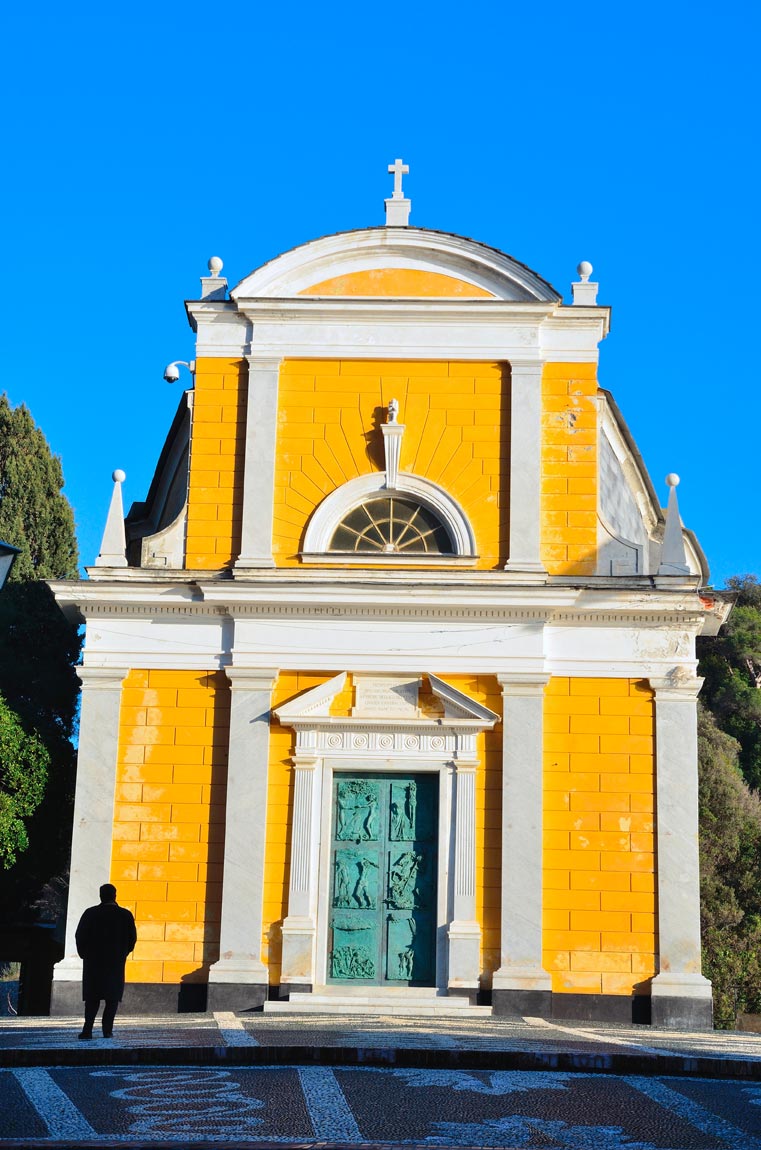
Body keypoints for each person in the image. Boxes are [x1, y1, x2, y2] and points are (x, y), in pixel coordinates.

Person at [75, 883, 136, 1040]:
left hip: (93, 962)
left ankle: (87, 1029)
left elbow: (80, 935)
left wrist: (84, 954)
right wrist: (123, 953)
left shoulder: (90, 913)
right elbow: (132, 939)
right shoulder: (125, 915)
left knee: (92, 997)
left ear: (100, 896)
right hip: (115, 962)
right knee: (112, 998)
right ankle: (107, 1030)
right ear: (115, 895)